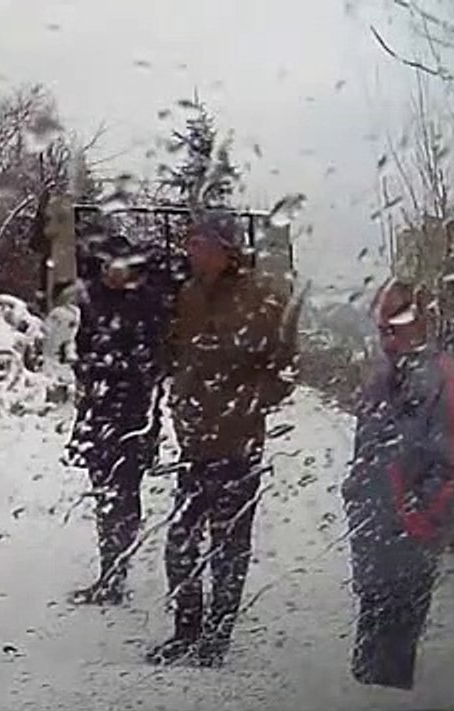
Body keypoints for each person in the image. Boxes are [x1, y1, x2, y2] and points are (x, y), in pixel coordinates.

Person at [148, 210, 297, 667]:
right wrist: (178, 394)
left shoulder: (264, 298)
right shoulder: (189, 295)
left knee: (229, 546)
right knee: (180, 541)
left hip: (238, 443)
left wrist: (247, 403)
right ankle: (185, 629)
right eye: (190, 242)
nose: (190, 250)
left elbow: (286, 369)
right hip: (193, 442)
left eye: (199, 243)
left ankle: (217, 636)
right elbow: (178, 352)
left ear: (225, 249)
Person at [342, 280, 454, 690]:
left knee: (391, 669)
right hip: (373, 546)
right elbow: (368, 454)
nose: (387, 337)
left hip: (408, 549)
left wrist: (417, 522)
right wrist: (354, 494)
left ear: (420, 321)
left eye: (395, 324)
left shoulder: (444, 379)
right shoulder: (382, 377)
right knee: (368, 667)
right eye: (381, 327)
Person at [68, 234, 172, 606]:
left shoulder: (147, 303)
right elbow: (83, 346)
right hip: (98, 410)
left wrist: (121, 370)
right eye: (106, 265)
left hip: (134, 413)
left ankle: (117, 573)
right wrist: (87, 373)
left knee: (126, 492)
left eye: (119, 266)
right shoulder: (94, 299)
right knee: (103, 492)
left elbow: (156, 361)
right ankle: (108, 570)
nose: (112, 272)